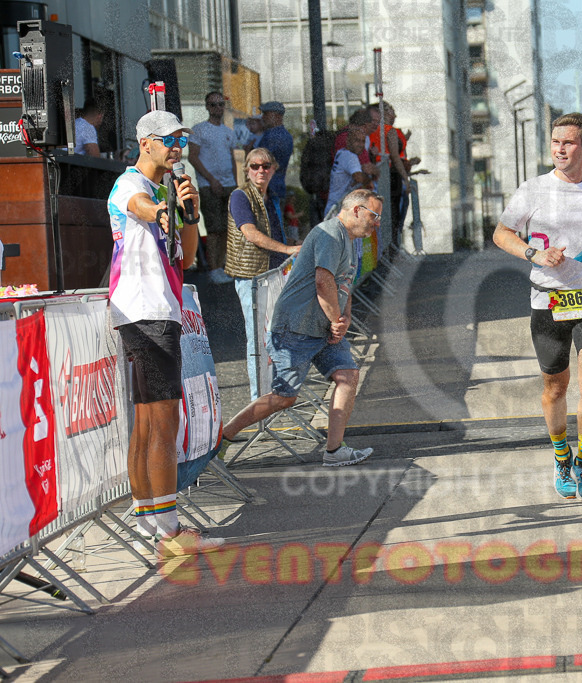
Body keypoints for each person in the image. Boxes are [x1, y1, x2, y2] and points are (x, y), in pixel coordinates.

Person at [492, 113, 582, 501]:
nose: (560, 149)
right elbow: (501, 233)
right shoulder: (533, 189)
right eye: (555, 142)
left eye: (568, 143)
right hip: (548, 299)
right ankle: (561, 458)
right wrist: (533, 253)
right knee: (556, 388)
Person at [107, 109, 223, 557]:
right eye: (169, 141)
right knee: (163, 423)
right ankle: (170, 533)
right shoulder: (132, 184)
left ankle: (147, 519)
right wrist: (164, 207)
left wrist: (188, 213)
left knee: (148, 422)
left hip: (158, 311)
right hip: (146, 313)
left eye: (182, 141)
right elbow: (142, 209)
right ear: (146, 143)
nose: (178, 149)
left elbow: (186, 257)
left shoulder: (167, 189)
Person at [222, 189, 383, 466]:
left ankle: (334, 451)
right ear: (356, 210)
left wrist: (343, 320)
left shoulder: (350, 239)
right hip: (295, 328)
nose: (377, 222)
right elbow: (323, 282)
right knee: (284, 397)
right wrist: (336, 321)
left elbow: (344, 284)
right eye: (374, 215)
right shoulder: (330, 235)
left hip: (323, 329)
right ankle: (223, 439)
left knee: (347, 376)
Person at [224, 148, 301, 400]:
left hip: (274, 274)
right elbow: (251, 233)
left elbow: (274, 234)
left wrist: (292, 246)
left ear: (274, 169)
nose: (260, 170)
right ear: (246, 170)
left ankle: (275, 396)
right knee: (258, 341)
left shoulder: (271, 197)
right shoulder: (240, 196)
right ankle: (260, 400)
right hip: (252, 278)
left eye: (266, 166)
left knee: (277, 337)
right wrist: (288, 248)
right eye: (255, 166)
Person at [188, 91, 238, 285]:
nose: (217, 108)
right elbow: (193, 156)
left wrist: (235, 183)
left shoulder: (228, 132)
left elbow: (233, 159)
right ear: (207, 107)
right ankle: (213, 268)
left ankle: (222, 265)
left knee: (228, 228)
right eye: (213, 104)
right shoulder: (199, 130)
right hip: (209, 185)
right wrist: (211, 179)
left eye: (220, 104)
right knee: (214, 228)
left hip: (228, 184)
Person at [369, 101, 411, 249]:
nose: (394, 115)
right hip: (390, 176)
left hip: (376, 176)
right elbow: (395, 157)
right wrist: (406, 178)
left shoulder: (371, 131)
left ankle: (385, 248)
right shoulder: (389, 131)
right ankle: (391, 248)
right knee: (392, 215)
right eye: (391, 111)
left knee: (380, 216)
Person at [258, 101, 295, 241]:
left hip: (270, 188)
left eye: (266, 114)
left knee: (271, 231)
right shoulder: (280, 135)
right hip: (274, 187)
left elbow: (263, 161)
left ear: (276, 116)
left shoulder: (274, 136)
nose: (263, 118)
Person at [325, 125, 372, 218]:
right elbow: (359, 178)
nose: (360, 145)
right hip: (338, 211)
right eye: (357, 140)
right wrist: (369, 178)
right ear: (348, 141)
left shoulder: (342, 152)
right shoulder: (351, 157)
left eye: (363, 141)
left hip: (334, 209)